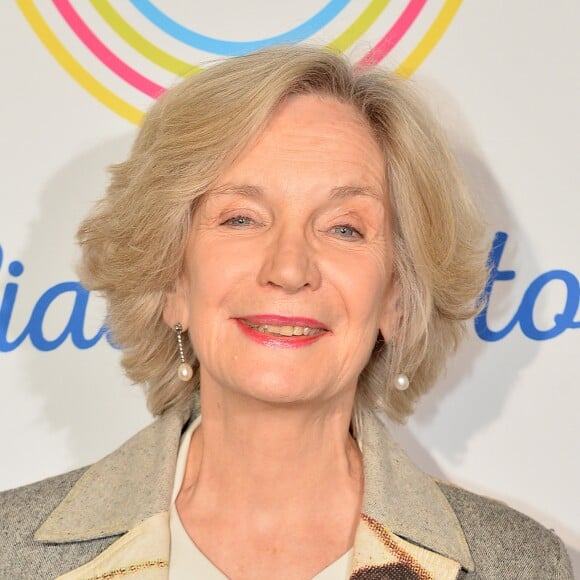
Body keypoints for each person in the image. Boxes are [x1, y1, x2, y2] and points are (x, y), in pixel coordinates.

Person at [0, 45, 572, 579]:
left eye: (345, 227)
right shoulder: (11, 550)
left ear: (397, 298)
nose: (290, 267)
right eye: (241, 218)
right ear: (172, 279)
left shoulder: (523, 565)